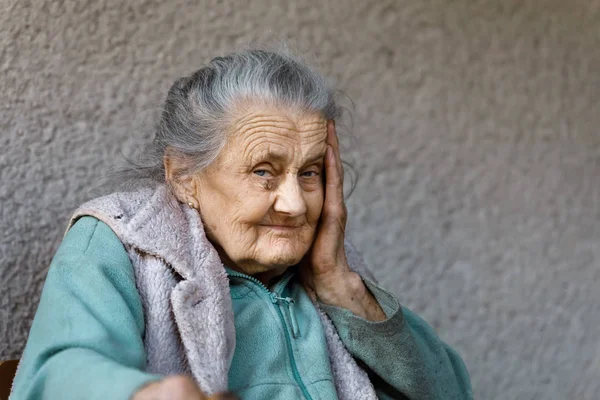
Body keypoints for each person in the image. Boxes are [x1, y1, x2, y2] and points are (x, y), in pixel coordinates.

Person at [10, 49, 472, 400]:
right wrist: (143, 394)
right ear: (184, 176)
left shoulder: (328, 266)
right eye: (263, 171)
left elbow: (451, 390)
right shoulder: (121, 239)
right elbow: (58, 371)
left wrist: (341, 288)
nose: (293, 204)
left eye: (309, 172)